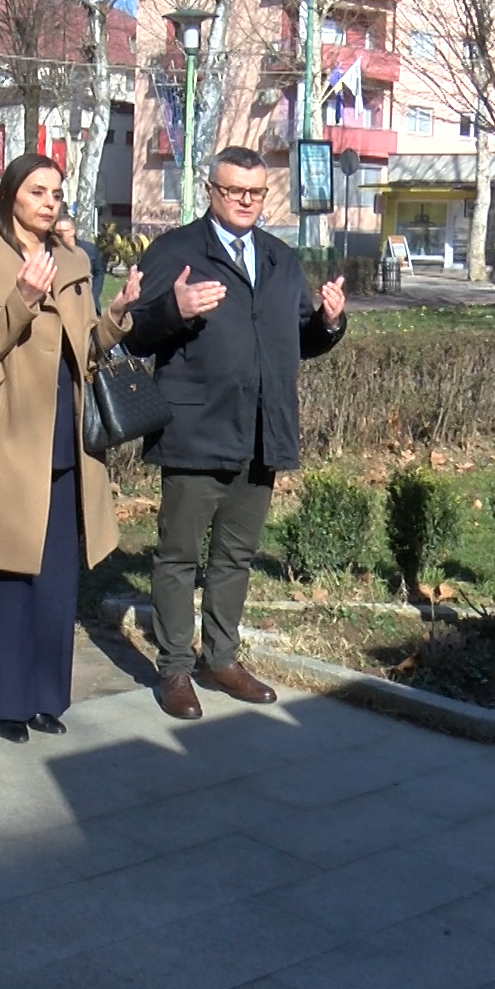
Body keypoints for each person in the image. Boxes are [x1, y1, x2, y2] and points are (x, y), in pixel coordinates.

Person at [125, 146, 347, 720]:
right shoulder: (176, 252)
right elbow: (134, 335)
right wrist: (173, 308)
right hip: (196, 430)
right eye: (234, 191)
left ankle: (220, 657)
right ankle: (174, 667)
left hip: (261, 431)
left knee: (235, 556)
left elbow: (299, 337)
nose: (246, 201)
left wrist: (328, 322)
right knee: (178, 557)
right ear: (210, 191)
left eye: (256, 192)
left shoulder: (280, 258)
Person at [0, 156, 140, 743]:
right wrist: (24, 298)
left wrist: (115, 318)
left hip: (68, 434)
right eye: (38, 191)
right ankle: (8, 702)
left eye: (56, 192)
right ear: (11, 197)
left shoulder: (76, 260)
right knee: (9, 575)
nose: (50, 201)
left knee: (57, 578)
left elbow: (85, 350)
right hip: (11, 433)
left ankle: (45, 697)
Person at [54, 214, 107, 303]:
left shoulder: (89, 250)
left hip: (88, 301)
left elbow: (99, 273)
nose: (61, 234)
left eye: (64, 231)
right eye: (58, 231)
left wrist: (93, 295)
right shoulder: (52, 251)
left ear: (72, 231)